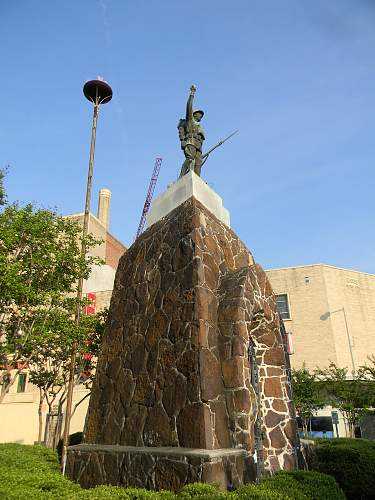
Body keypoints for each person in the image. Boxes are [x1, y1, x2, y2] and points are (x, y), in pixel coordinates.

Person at [178, 85, 205, 177]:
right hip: (190, 142)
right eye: (199, 114)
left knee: (198, 164)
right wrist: (192, 94)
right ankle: (181, 176)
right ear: (194, 114)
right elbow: (189, 107)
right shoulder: (190, 120)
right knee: (190, 158)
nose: (200, 116)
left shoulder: (199, 126)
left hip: (198, 146)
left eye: (201, 115)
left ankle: (197, 179)